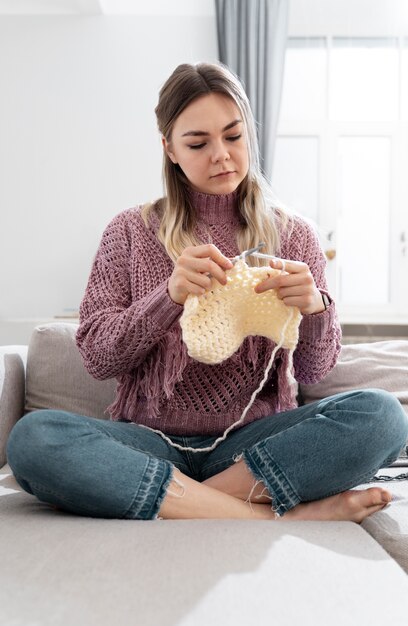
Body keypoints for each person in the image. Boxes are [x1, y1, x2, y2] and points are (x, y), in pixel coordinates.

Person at [7, 62, 408, 523]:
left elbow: (315, 370)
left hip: (253, 445)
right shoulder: (130, 231)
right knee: (34, 438)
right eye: (198, 143)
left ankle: (178, 500)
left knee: (383, 416)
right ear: (169, 149)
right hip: (149, 443)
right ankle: (264, 515)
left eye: (234, 136)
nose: (221, 155)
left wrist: (316, 308)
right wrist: (167, 298)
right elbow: (98, 357)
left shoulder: (295, 235)